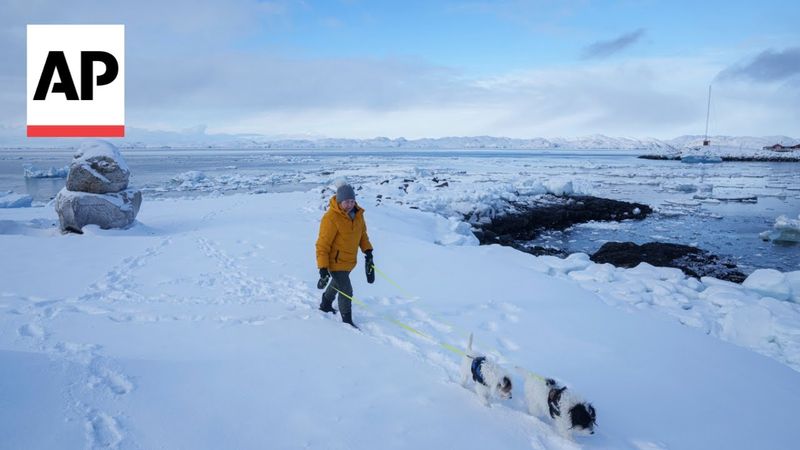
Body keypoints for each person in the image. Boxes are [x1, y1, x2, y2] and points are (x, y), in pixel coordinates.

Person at [315, 182, 374, 328]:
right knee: (346, 290)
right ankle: (346, 320)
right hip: (335, 262)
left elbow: (363, 236)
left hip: (349, 261)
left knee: (337, 283)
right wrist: (323, 267)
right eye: (346, 201)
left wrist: (368, 252)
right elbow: (322, 244)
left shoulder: (358, 215)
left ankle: (325, 304)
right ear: (339, 201)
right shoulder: (331, 218)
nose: (349, 204)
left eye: (352, 201)